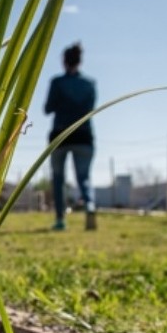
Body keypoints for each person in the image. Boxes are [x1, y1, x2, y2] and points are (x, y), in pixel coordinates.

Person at [44, 42, 97, 231]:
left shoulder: (57, 83)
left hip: (61, 135)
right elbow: (90, 109)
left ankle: (60, 219)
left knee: (58, 179)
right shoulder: (90, 84)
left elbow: (47, 108)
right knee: (84, 177)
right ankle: (90, 206)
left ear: (64, 62)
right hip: (84, 136)